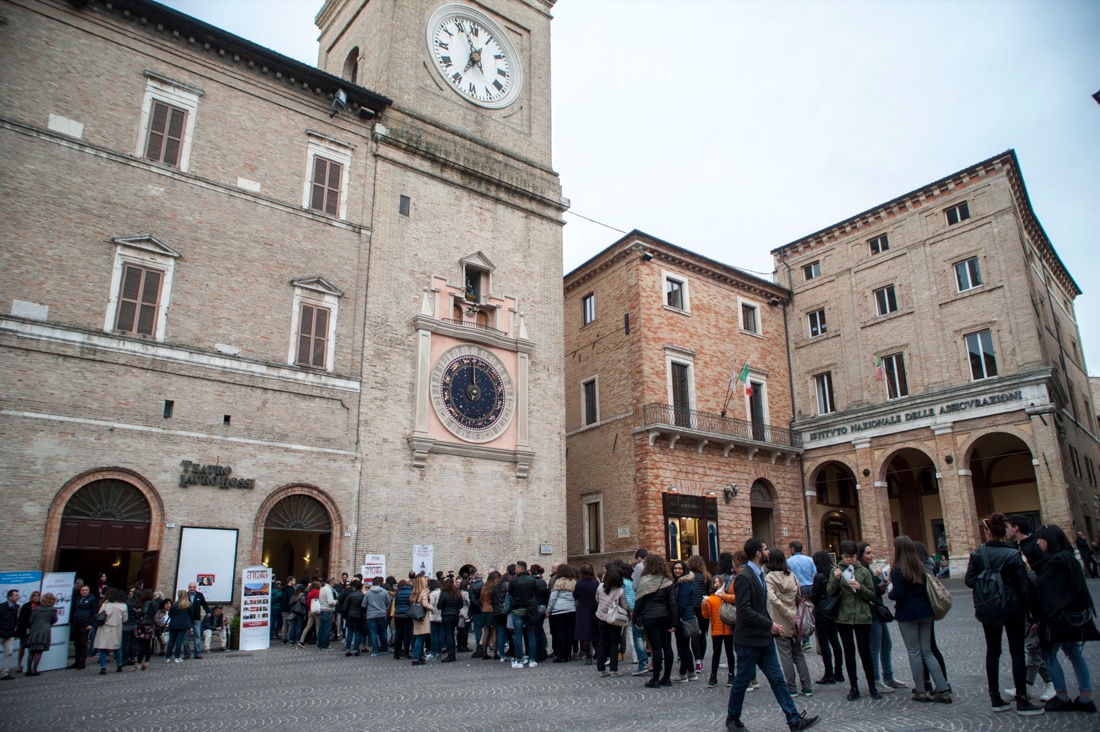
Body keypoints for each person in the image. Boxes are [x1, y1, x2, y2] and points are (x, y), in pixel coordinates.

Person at [725, 538, 820, 731]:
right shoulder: (744, 577)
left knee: (777, 679)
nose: (769, 551)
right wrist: (769, 624)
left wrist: (771, 624)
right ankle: (732, 720)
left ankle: (793, 719)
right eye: (766, 549)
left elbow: (760, 607)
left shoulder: (760, 574)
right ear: (758, 553)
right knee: (741, 682)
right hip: (749, 641)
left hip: (764, 640)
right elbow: (744, 609)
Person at [964, 513, 1042, 714]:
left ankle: (995, 698)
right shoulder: (1013, 554)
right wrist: (1031, 613)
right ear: (1003, 533)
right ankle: (1022, 700)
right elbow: (1024, 587)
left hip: (990, 606)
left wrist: (987, 578)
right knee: (1017, 652)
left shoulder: (978, 554)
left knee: (993, 651)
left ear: (988, 532)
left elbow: (969, 580)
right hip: (1013, 606)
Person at [1033, 524, 1098, 713]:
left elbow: (1050, 594)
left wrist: (1041, 620)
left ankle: (1061, 697)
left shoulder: (1056, 563)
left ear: (1050, 540)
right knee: (1075, 654)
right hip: (1074, 617)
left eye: (1040, 539)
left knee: (1048, 655)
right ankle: (1086, 698)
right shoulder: (1069, 559)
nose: (1038, 543)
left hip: (1059, 619)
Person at [889, 535, 951, 703]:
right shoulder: (920, 566)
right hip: (925, 613)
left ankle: (921, 691)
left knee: (914, 652)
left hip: (907, 614)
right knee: (927, 651)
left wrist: (889, 592)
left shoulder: (897, 568)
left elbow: (898, 594)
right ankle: (943, 689)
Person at [1005, 514, 1054, 702]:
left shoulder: (1033, 547)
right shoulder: (1017, 548)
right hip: (1027, 605)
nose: (1006, 530)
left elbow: (1042, 577)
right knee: (1032, 647)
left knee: (1033, 646)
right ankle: (1026, 687)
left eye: (1008, 527)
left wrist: (1028, 569)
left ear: (1015, 528)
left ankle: (1049, 685)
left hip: (1037, 605)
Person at [828, 540, 879, 701]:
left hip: (862, 617)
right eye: (846, 557)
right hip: (844, 617)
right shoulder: (837, 570)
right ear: (841, 556)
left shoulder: (863, 572)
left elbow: (872, 594)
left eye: (852, 557)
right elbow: (829, 591)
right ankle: (854, 687)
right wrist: (836, 579)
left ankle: (872, 685)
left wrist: (860, 588)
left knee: (865, 652)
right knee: (849, 652)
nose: (849, 560)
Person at [858, 542, 906, 693]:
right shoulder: (861, 571)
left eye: (872, 552)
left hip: (878, 611)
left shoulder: (869, 570)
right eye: (868, 553)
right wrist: (877, 578)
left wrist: (881, 586)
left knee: (887, 644)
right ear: (861, 556)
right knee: (874, 647)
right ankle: (875, 680)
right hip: (871, 613)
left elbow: (874, 591)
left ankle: (888, 676)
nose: (871, 555)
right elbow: (865, 591)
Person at [766, 548, 812, 697]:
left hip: (780, 620)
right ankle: (807, 686)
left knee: (785, 654)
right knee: (798, 653)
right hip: (795, 620)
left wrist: (787, 613)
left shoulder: (770, 577)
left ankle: (791, 687)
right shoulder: (791, 575)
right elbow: (798, 595)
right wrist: (793, 613)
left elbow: (773, 599)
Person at [633, 554, 675, 688]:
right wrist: (674, 622)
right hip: (665, 617)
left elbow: (639, 602)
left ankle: (655, 679)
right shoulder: (667, 581)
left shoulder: (645, 581)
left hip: (650, 617)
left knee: (656, 648)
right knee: (667, 647)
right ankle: (667, 678)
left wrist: (635, 618)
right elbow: (672, 603)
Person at [810, 551, 843, 685]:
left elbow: (815, 595)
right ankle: (839, 672)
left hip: (822, 611)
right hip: (834, 609)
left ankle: (829, 673)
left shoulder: (819, 576)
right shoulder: (834, 572)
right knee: (835, 640)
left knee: (824, 642)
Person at [594, 566, 630, 677]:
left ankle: (601, 668)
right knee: (614, 643)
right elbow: (625, 605)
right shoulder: (619, 590)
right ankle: (614, 669)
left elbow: (597, 599)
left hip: (601, 617)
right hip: (614, 619)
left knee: (603, 643)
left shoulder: (600, 587)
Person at [702, 573, 734, 688]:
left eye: (718, 582)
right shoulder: (711, 598)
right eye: (715, 582)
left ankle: (731, 675)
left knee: (730, 653)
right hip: (717, 629)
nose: (717, 584)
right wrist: (704, 606)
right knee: (716, 653)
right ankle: (713, 676)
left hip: (728, 629)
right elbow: (707, 615)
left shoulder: (726, 597)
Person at [507, 560, 540, 668]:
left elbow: (510, 593)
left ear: (520, 569)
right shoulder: (532, 580)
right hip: (530, 609)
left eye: (516, 568)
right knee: (531, 634)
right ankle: (532, 659)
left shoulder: (514, 581)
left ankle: (519, 659)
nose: (515, 570)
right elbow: (535, 593)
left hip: (518, 609)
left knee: (518, 635)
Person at [670, 559, 697, 682]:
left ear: (684, 570)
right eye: (675, 568)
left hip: (683, 619)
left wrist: (675, 618)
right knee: (685, 646)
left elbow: (682, 604)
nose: (677, 570)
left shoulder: (685, 584)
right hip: (684, 617)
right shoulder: (679, 583)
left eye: (679, 568)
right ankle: (691, 671)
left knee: (683, 647)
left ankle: (683, 673)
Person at [547, 564, 577, 664]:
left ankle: (561, 655)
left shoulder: (558, 582)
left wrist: (548, 610)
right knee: (569, 633)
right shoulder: (574, 581)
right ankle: (568, 654)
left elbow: (553, 597)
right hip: (571, 609)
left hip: (559, 610)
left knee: (560, 633)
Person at [95, 588, 129, 674]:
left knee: (103, 647)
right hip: (116, 628)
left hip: (104, 627)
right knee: (117, 648)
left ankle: (103, 667)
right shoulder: (123, 605)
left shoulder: (105, 604)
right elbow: (125, 619)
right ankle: (119, 665)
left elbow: (100, 615)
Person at [23, 593, 58, 677]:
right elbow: (54, 620)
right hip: (44, 631)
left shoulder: (36, 609)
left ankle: (28, 669)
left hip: (34, 630)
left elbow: (31, 620)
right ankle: (34, 669)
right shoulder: (52, 610)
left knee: (32, 651)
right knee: (39, 652)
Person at [574, 563, 599, 665]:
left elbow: (575, 595)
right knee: (595, 636)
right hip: (593, 610)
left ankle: (588, 657)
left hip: (582, 610)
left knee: (585, 637)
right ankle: (599, 656)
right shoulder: (595, 583)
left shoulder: (579, 583)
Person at [69, 584, 97, 670]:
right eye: (83, 590)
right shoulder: (78, 599)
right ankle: (77, 661)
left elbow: (94, 612)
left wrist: (90, 624)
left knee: (83, 644)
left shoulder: (92, 599)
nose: (84, 591)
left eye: (86, 590)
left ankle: (82, 662)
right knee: (76, 643)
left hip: (85, 624)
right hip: (77, 623)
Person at [409, 575, 434, 666]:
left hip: (416, 616)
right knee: (420, 638)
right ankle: (416, 657)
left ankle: (418, 656)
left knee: (419, 637)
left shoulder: (414, 592)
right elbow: (425, 604)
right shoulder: (424, 592)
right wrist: (432, 608)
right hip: (423, 617)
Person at [437, 577, 463, 662]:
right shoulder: (457, 593)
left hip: (446, 615)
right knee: (451, 634)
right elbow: (461, 605)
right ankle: (452, 654)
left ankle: (451, 654)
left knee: (448, 635)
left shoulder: (444, 594)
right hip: (455, 615)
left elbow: (439, 606)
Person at [15, 590, 40, 674]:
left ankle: (29, 667)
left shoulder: (40, 606)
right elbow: (21, 619)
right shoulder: (26, 606)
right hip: (25, 629)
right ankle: (19, 665)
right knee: (22, 647)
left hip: (35, 630)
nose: (36, 597)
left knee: (32, 649)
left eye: (38, 596)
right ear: (31, 597)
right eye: (35, 596)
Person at [479, 571, 501, 661]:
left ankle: (484, 652)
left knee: (486, 631)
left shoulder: (484, 588)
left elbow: (481, 599)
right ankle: (495, 652)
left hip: (485, 610)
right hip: (493, 610)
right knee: (495, 631)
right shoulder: (496, 588)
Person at [184, 581, 210, 659]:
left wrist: (208, 611)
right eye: (190, 587)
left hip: (196, 618)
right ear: (188, 588)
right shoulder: (185, 595)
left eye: (193, 587)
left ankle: (198, 653)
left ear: (196, 588)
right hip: (187, 618)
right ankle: (187, 653)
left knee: (197, 635)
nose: (192, 589)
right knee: (186, 636)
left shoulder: (199, 595)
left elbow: (204, 604)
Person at [134, 588, 158, 670]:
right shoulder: (155, 603)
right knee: (148, 645)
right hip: (151, 624)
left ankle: (138, 663)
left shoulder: (146, 603)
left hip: (144, 625)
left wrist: (137, 612)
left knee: (142, 645)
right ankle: (146, 662)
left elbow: (144, 611)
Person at [165, 590, 191, 664]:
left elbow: (170, 614)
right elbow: (191, 614)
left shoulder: (174, 604)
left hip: (174, 624)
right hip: (183, 625)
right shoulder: (188, 605)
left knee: (171, 641)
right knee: (179, 641)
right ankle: (177, 657)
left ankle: (168, 657)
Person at [297, 581, 322, 647]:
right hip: (316, 611)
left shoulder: (309, 592)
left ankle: (301, 640)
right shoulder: (317, 592)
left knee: (308, 626)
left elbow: (308, 603)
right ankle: (319, 641)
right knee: (317, 626)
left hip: (310, 610)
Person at [0, 590, 17, 681]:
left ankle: (4, 673)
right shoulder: (2, 607)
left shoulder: (17, 607)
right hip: (1, 633)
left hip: (10, 633)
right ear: (9, 597)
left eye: (18, 595)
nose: (17, 597)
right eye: (15, 595)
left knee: (9, 653)